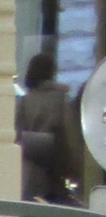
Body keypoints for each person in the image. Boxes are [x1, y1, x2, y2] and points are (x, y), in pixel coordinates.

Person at [18, 51, 81, 206]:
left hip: (28, 173)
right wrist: (76, 169)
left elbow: (17, 134)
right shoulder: (60, 99)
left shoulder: (26, 100)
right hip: (54, 172)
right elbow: (70, 136)